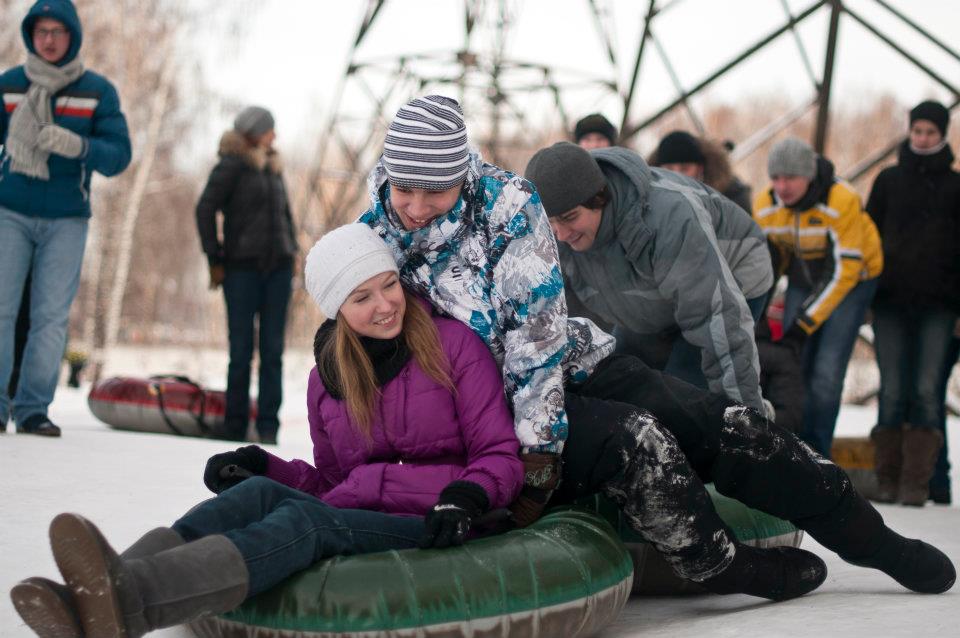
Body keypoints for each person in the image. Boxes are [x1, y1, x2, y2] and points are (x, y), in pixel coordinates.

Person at [360, 95, 954, 602]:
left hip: (559, 362)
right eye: (403, 188)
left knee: (721, 423)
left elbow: (539, 333)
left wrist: (541, 448)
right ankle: (715, 562)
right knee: (636, 436)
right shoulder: (376, 237)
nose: (412, 206)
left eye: (431, 190)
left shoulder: (513, 206)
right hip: (486, 403)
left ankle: (871, 538)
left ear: (461, 174)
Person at [9, 223, 524, 638]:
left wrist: (466, 498)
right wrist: (266, 467)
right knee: (257, 493)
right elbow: (334, 481)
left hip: (441, 517)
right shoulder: (328, 382)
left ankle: (131, 603)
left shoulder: (453, 346)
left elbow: (498, 452)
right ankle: (94, 592)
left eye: (389, 285)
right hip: (362, 508)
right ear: (338, 311)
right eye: (362, 297)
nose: (385, 304)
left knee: (309, 524)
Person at [525, 142, 772, 410]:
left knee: (685, 394)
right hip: (657, 295)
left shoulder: (666, 218)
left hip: (732, 276)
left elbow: (715, 316)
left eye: (569, 217)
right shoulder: (559, 237)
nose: (561, 234)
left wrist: (746, 421)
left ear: (599, 198)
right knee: (620, 381)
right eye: (551, 223)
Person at [0, 0, 131, 437]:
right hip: (10, 212)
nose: (50, 39)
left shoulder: (97, 91)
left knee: (50, 317)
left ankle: (33, 409)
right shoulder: (10, 86)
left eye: (58, 31)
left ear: (72, 35)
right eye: (42, 32)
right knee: (1, 310)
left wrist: (79, 146)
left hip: (66, 219)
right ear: (31, 36)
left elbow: (119, 156)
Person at [754, 138, 883, 457]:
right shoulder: (765, 205)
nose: (782, 187)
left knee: (826, 369)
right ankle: (795, 449)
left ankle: (819, 452)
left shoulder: (841, 199)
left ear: (809, 177)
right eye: (776, 178)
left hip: (854, 278)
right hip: (803, 272)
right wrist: (755, 312)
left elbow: (844, 271)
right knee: (794, 362)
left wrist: (802, 324)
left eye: (791, 178)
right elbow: (765, 264)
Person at [865, 100, 960, 506]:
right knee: (891, 389)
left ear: (943, 135)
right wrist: (866, 295)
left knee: (925, 390)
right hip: (889, 303)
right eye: (917, 130)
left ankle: (919, 484)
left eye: (930, 132)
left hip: (940, 306)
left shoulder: (957, 187)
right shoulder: (888, 180)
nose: (922, 138)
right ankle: (887, 480)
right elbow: (868, 240)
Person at [195, 106, 298, 444]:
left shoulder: (273, 166)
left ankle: (268, 427)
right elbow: (205, 208)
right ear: (254, 132)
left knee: (273, 351)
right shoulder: (232, 165)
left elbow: (284, 215)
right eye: (270, 129)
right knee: (241, 351)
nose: (275, 136)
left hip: (278, 269)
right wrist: (215, 256)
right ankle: (234, 426)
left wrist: (292, 250)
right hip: (241, 270)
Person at [649, 130, 754, 213]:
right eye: (669, 169)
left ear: (700, 169)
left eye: (684, 169)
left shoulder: (731, 198)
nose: (676, 175)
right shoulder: (651, 207)